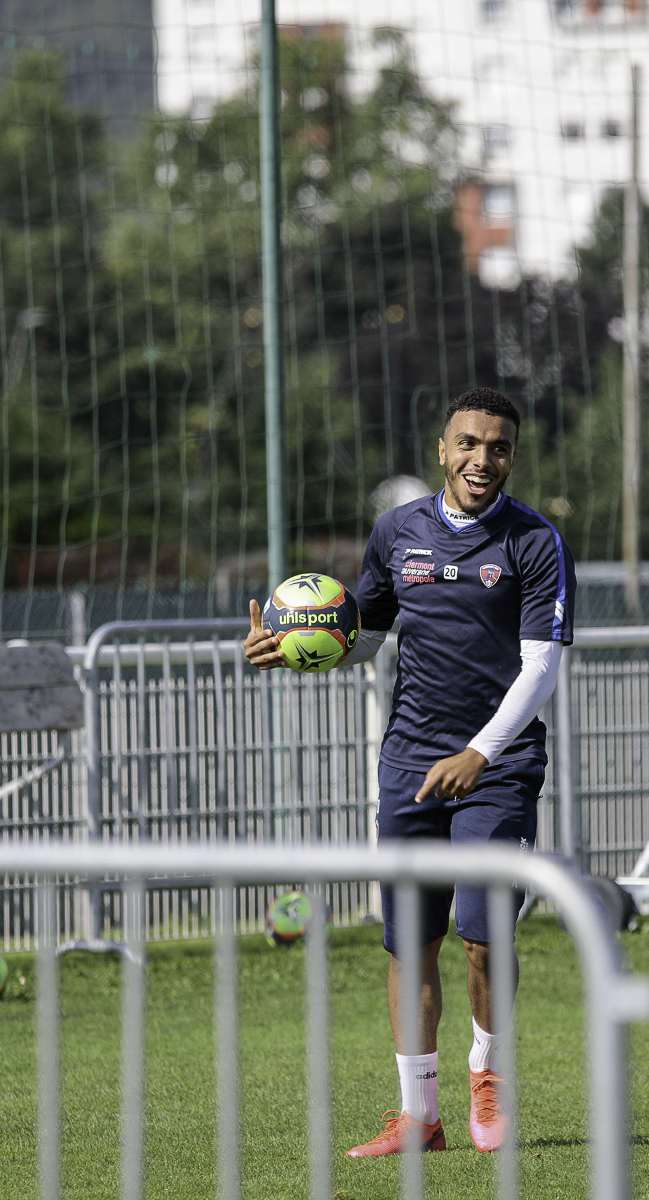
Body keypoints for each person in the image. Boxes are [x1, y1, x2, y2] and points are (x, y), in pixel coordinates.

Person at [244, 386, 576, 1157]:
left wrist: (480, 753)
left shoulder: (534, 542)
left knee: (484, 936)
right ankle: (417, 1116)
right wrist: (298, 651)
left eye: (498, 447)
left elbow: (540, 670)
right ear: (442, 450)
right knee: (410, 939)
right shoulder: (397, 530)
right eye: (468, 443)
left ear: (512, 457)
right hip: (409, 764)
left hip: (497, 765)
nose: (481, 459)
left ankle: (488, 1082)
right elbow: (364, 633)